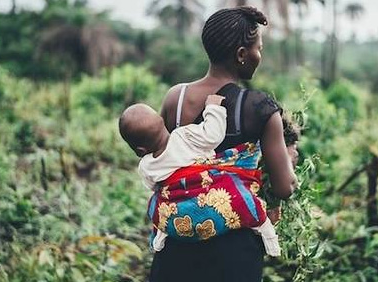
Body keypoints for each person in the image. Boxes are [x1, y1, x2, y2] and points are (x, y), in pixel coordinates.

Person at [151, 6, 297, 282]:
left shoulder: (176, 99)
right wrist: (289, 157)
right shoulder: (260, 108)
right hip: (233, 252)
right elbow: (284, 188)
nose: (259, 56)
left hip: (177, 242)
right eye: (259, 49)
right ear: (242, 54)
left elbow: (163, 162)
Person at [118, 95, 280, 256]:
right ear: (161, 121)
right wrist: (213, 107)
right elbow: (213, 135)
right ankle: (267, 233)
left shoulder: (146, 166)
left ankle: (161, 233)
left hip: (178, 213)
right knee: (239, 195)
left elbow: (155, 187)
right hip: (207, 195)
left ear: (140, 150)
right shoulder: (183, 136)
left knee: (156, 203)